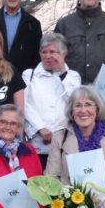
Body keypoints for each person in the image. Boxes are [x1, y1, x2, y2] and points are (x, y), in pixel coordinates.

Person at [22, 32, 81, 169]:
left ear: (63, 54)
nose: (48, 56)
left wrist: (62, 73)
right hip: (37, 141)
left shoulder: (73, 76)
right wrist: (41, 128)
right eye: (44, 52)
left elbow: (74, 101)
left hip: (64, 142)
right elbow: (25, 104)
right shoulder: (28, 75)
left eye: (53, 52)